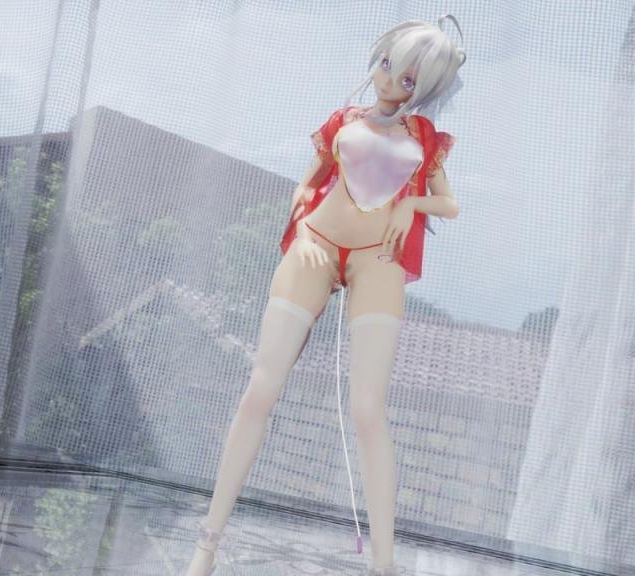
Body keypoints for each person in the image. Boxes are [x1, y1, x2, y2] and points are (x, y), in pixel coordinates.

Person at [186, 14, 466, 576]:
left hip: (378, 259)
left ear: (424, 89)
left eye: (408, 80)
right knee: (261, 388)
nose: (388, 81)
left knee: (367, 409)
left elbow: (450, 204)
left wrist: (413, 205)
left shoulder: (425, 139)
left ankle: (383, 565)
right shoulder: (343, 120)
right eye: (387, 65)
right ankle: (206, 546)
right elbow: (308, 182)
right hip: (316, 243)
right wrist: (303, 226)